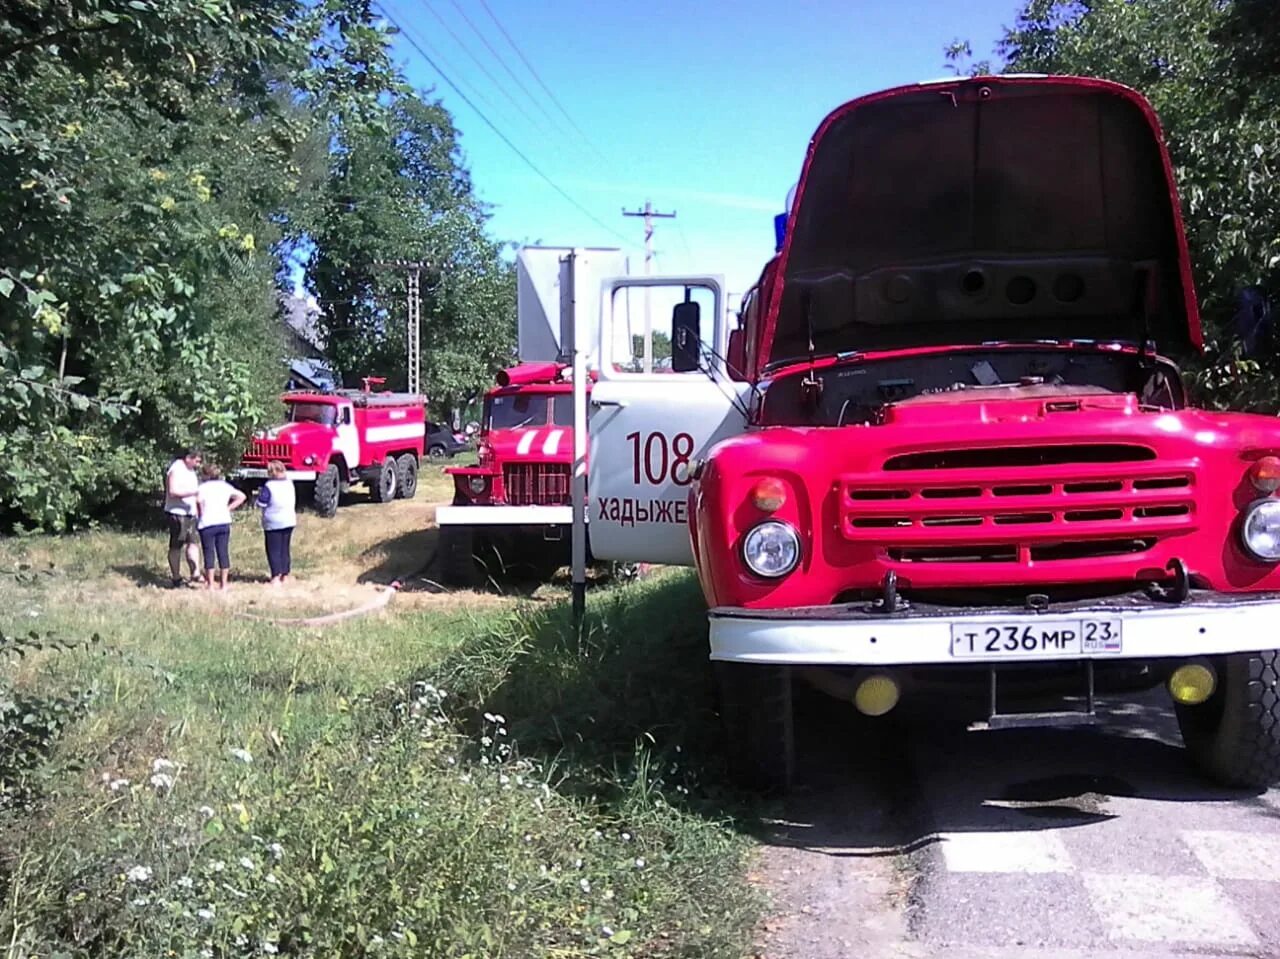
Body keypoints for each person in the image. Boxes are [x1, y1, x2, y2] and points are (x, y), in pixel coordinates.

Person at [195, 464, 247, 590]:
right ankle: (224, 584)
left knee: (209, 552)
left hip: (207, 522)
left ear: (205, 475)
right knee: (223, 552)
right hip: (223, 521)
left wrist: (200, 514)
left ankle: (211, 584)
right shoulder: (225, 486)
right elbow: (242, 496)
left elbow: (198, 502)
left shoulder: (202, 488)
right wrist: (228, 508)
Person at [164, 448, 203, 588]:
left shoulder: (191, 471)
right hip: (177, 513)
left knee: (193, 542)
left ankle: (196, 573)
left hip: (190, 513)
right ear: (188, 458)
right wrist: (192, 493)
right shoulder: (176, 469)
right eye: (197, 461)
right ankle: (176, 577)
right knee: (177, 545)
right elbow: (173, 491)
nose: (198, 464)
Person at [256, 460, 297, 585]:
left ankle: (275, 576)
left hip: (273, 521)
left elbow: (262, 503)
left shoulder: (269, 486)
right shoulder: (290, 483)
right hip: (289, 519)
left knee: (273, 549)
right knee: (285, 548)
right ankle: (285, 574)